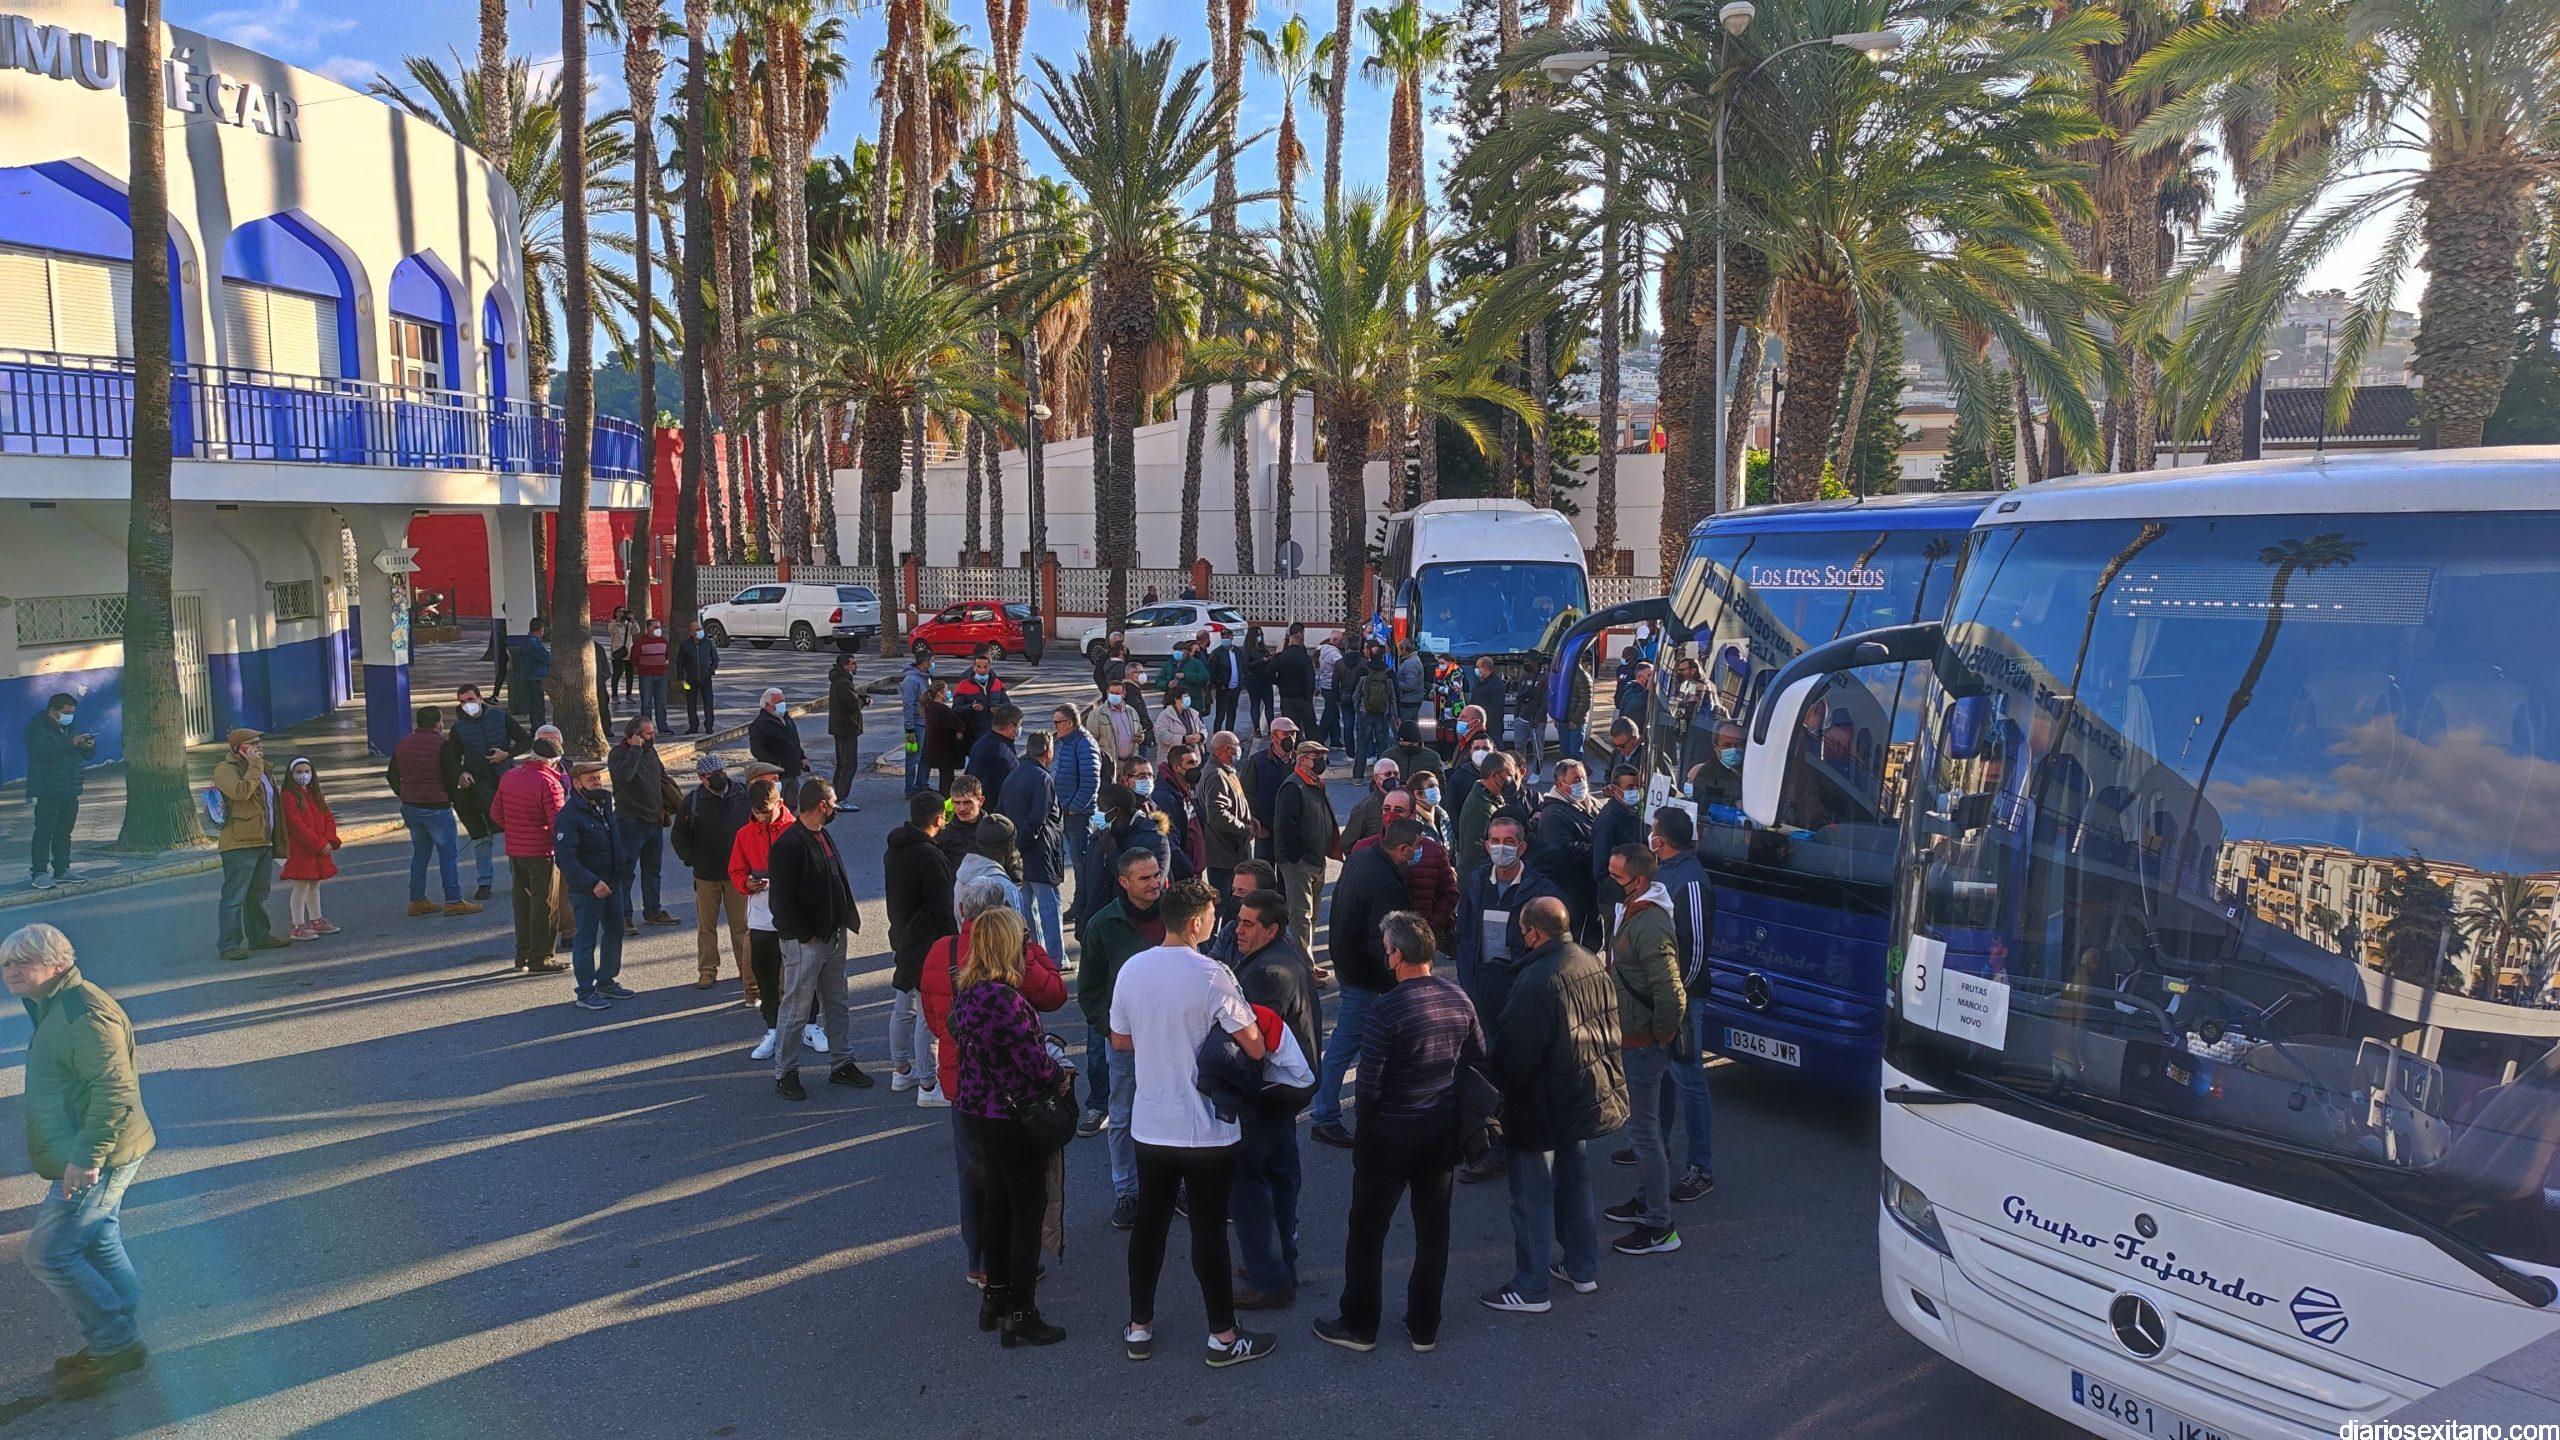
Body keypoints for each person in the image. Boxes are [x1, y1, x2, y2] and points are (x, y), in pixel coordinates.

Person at [1109, 876, 1276, 1367]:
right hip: (1207, 1128)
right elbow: (1254, 1045)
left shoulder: (1133, 970)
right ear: (1199, 922)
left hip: (1151, 1123)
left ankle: (1139, 1327)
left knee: (1149, 1226)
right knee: (1208, 1230)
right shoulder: (1212, 975)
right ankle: (1222, 1336)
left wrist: (1159, 1039)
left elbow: (1120, 1040)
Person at [1316, 911, 1481, 1355]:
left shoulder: (1386, 1008)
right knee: (1433, 1230)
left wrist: (1365, 1131)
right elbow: (1476, 1058)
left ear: (1396, 955)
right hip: (1440, 1131)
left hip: (1390, 1135)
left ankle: (1359, 1325)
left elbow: (1368, 1086)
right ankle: (1424, 1326)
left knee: (1367, 1231)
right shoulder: (1458, 997)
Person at [6, 923, 155, 1399]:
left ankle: (116, 1342)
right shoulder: (53, 1004)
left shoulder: (83, 1014)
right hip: (100, 1149)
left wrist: (87, 1158)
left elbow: (115, 1091)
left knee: (48, 1254)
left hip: (97, 1155)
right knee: (99, 1240)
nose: (10, 972)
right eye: (5, 963)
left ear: (58, 964)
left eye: (22, 962)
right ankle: (119, 1334)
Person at [1479, 895, 1627, 1314]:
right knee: (1575, 1185)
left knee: (1532, 1198)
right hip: (1581, 1094)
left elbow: (1513, 1055)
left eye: (1522, 929)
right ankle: (1582, 1268)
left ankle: (1531, 1288)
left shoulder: (1536, 981)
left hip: (1540, 1104)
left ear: (1534, 932)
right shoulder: (1589, 960)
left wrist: (1490, 1094)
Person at [943, 905, 1073, 1347]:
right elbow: (1032, 1065)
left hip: (976, 1111)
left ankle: (994, 1299)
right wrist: (1060, 1074)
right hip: (1011, 1118)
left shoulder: (968, 990)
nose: (1027, 945)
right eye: (1023, 938)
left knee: (997, 1207)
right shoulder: (1005, 999)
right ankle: (1022, 1312)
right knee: (1026, 1214)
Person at [1452, 814, 1563, 1183]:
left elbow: (1553, 949)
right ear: (1486, 845)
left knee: (1518, 1072)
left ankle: (1517, 1146)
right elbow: (1465, 936)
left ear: (1523, 847)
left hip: (1520, 995)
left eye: (1509, 841)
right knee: (1484, 1071)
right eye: (1495, 840)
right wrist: (1467, 983)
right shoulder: (1475, 882)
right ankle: (1490, 1145)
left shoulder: (1541, 891)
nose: (1501, 847)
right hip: (1481, 992)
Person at [1616, 805, 1718, 1202]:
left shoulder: (1690, 881)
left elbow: (1695, 951)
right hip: (1663, 998)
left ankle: (1700, 1168)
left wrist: (1676, 1001)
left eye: (1652, 831)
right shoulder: (1666, 871)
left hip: (1682, 1000)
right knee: (1663, 1076)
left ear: (1659, 840)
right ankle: (1655, 1144)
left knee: (1690, 1081)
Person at [1225, 889, 1319, 1308]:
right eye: (1239, 920)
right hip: (1287, 1089)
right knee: (1279, 1172)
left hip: (1271, 1092)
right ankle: (1280, 1264)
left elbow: (1253, 1045)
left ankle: (1267, 1278)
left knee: (1246, 1178)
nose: (1238, 930)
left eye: (1248, 924)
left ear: (1272, 929)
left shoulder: (1268, 973)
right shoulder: (1280, 955)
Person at [1310, 817, 1426, 1152]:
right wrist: (1396, 983)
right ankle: (1324, 1116)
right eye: (1417, 847)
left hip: (1349, 963)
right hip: (1365, 975)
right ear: (1403, 849)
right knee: (1346, 1044)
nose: (1419, 852)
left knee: (1362, 1044)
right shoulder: (1386, 884)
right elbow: (1386, 942)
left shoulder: (1363, 856)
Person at [1602, 842, 1688, 1256]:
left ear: (1637, 881)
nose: (1609, 882)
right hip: (1635, 1040)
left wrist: (1660, 1035)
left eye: (1615, 876)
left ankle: (1660, 1226)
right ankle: (1645, 1201)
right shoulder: (1634, 911)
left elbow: (1671, 991)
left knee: (1644, 1134)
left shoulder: (1650, 923)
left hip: (1644, 1045)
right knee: (1643, 1131)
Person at [767, 778, 872, 1098]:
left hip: (833, 935)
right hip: (807, 943)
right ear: (822, 806)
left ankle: (842, 1063)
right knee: (797, 1008)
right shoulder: (789, 845)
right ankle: (785, 1072)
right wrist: (806, 935)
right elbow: (781, 902)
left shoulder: (821, 834)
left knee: (837, 1002)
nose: (836, 809)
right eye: (834, 803)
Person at [1080, 846, 1167, 1220]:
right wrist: (1111, 1031)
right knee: (1123, 1117)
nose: (1155, 883)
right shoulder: (1103, 924)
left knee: (1172, 1112)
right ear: (1124, 882)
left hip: (1173, 1038)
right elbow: (1089, 990)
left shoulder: (1175, 914)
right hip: (1126, 1043)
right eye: (1144, 878)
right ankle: (1128, 1192)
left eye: (1157, 874)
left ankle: (1171, 1186)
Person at [886, 790, 960, 1103]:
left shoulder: (894, 848)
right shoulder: (931, 856)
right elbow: (944, 908)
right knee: (927, 1016)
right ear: (938, 820)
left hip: (901, 936)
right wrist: (953, 944)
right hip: (927, 943)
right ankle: (929, 1085)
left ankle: (901, 1070)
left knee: (903, 1006)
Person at [729, 776, 807, 1058]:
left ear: (780, 803)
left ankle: (809, 1025)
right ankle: (773, 1028)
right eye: (757, 813)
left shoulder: (797, 830)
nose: (761, 818)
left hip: (795, 913)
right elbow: (736, 870)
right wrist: (746, 883)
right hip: (761, 915)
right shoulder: (745, 834)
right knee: (765, 974)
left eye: (766, 812)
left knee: (801, 974)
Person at [552, 758, 633, 1011]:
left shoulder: (604, 804)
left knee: (615, 931)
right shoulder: (569, 816)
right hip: (588, 889)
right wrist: (592, 882)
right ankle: (585, 992)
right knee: (585, 939)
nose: (597, 783)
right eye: (591, 780)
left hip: (612, 882)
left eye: (598, 778)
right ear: (577, 784)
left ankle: (606, 980)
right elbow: (565, 858)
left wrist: (622, 866)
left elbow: (614, 839)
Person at [672, 754, 753, 995]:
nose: (719, 777)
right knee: (706, 927)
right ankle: (707, 970)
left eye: (721, 772)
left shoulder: (742, 795)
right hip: (706, 875)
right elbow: (679, 836)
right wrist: (692, 860)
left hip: (737, 874)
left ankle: (746, 969)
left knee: (741, 926)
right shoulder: (693, 802)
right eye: (712, 775)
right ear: (702, 779)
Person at [488, 738, 570, 974]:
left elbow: (496, 813)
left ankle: (522, 954)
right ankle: (541, 957)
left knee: (522, 904)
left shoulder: (510, 776)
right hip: (542, 852)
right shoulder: (550, 783)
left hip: (516, 851)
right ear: (552, 762)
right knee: (545, 906)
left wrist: (516, 831)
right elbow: (558, 824)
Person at [387, 707, 476, 920]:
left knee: (420, 853)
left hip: (411, 806)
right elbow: (451, 775)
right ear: (438, 724)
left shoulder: (403, 744)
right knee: (448, 854)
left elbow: (391, 775)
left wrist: (403, 793)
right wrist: (451, 798)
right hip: (436, 806)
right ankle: (453, 900)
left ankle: (417, 900)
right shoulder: (442, 744)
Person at [448, 682, 529, 901]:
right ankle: (484, 882)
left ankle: (520, 881)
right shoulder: (458, 728)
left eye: (470, 699)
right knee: (482, 837)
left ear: (480, 698)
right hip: (478, 787)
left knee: (514, 834)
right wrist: (461, 773)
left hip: (506, 783)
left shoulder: (500, 718)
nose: (467, 704)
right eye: (462, 701)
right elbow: (453, 757)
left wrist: (507, 754)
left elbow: (525, 740)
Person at [608, 716, 684, 933]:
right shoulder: (618, 754)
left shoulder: (651, 752)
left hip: (654, 820)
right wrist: (635, 750)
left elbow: (661, 776)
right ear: (634, 736)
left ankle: (653, 911)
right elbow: (624, 777)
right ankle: (624, 916)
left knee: (653, 869)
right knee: (626, 872)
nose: (654, 736)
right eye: (649, 733)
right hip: (630, 822)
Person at [1001, 730, 1067, 967]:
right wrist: (1027, 842)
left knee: (1026, 909)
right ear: (1048, 752)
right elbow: (1039, 818)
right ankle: (1056, 959)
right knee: (1050, 907)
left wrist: (1016, 847)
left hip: (1018, 853)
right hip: (1040, 852)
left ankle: (1036, 956)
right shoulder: (1042, 778)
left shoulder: (1013, 776)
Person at [23, 692, 94, 890]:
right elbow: (42, 752)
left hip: (70, 789)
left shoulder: (72, 728)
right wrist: (71, 743)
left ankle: (62, 869)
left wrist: (88, 746)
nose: (69, 716)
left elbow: (86, 755)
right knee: (44, 832)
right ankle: (39, 872)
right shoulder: (37, 727)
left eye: (72, 713)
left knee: (64, 832)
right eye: (66, 712)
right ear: (53, 711)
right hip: (48, 789)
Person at [1270, 737, 1337, 947]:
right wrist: (1297, 859)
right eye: (1317, 757)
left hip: (1316, 859)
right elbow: (1286, 827)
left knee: (1312, 915)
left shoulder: (1315, 783)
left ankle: (1307, 957)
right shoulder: (1293, 786)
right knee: (1301, 918)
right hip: (1300, 864)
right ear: (1304, 760)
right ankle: (1302, 962)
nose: (1321, 761)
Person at [1529, 760, 1603, 942]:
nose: (1582, 783)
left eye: (1584, 778)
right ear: (1560, 784)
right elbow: (1564, 851)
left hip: (1590, 888)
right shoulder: (1553, 815)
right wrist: (1600, 850)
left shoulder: (1591, 803)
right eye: (1576, 779)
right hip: (1572, 892)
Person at [276, 757, 342, 940]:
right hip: (302, 850)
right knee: (301, 886)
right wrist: (319, 844)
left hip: (318, 848)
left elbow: (328, 817)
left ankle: (316, 920)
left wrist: (328, 840)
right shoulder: (288, 797)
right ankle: (298, 925)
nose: (303, 775)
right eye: (299, 772)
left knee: (315, 884)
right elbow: (296, 826)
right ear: (291, 774)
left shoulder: (314, 794)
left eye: (307, 771)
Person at [1053, 705, 1104, 902]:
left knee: (1081, 861)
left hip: (1079, 814)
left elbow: (1091, 782)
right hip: (1066, 811)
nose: (1055, 726)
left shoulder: (1085, 744)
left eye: (1058, 722)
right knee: (1077, 860)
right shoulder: (1066, 742)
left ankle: (1083, 901)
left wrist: (1074, 808)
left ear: (1069, 723)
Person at [1589, 763, 1650, 923]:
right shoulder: (1608, 820)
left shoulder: (1633, 811)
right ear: (1615, 790)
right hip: (1617, 900)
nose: (1635, 791)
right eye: (1629, 787)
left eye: (1637, 786)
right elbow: (1601, 870)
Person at [1200, 731, 1254, 899]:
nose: (1239, 750)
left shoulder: (1226, 770)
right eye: (1237, 746)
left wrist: (1250, 819)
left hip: (1231, 852)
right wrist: (1245, 828)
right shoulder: (1216, 775)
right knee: (1226, 902)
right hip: (1225, 856)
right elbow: (1217, 815)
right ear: (1227, 749)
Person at [1241, 719, 1299, 863]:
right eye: (1286, 734)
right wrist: (1256, 823)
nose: (1291, 738)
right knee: (1264, 872)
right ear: (1274, 737)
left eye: (1293, 734)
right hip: (1266, 832)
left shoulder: (1299, 761)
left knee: (1288, 873)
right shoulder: (1257, 761)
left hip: (1292, 833)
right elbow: (1245, 795)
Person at [1455, 749, 1516, 873]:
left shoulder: (1491, 797)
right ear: (1494, 775)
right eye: (1509, 775)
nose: (1511, 781)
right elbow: (1474, 857)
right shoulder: (1480, 809)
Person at [826, 651, 868, 809]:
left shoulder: (841, 680)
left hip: (841, 728)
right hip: (846, 728)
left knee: (842, 764)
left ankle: (835, 796)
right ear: (845, 666)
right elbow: (852, 703)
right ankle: (841, 798)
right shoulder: (843, 682)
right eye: (853, 664)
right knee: (849, 764)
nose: (856, 666)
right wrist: (863, 702)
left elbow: (852, 697)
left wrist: (861, 698)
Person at [748, 688, 810, 787]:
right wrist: (775, 765)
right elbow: (757, 750)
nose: (782, 705)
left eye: (783, 701)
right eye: (778, 702)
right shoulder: (760, 725)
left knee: (794, 795)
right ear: (767, 705)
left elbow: (794, 740)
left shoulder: (786, 718)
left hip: (793, 771)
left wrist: (802, 757)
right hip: (777, 775)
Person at [1340, 757, 1402, 853]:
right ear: (1376, 779)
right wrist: (1363, 860)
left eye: (1396, 773)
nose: (1393, 777)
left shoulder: (1406, 801)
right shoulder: (1365, 808)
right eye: (1388, 774)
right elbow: (1346, 843)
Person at [952, 649, 1010, 751]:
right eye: (978, 667)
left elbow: (1007, 704)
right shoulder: (963, 685)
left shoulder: (997, 683)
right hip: (973, 734)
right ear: (973, 667)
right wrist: (971, 708)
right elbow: (956, 708)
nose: (982, 670)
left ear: (989, 667)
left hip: (995, 732)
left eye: (985, 667)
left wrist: (999, 708)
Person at [1352, 643, 1396, 776]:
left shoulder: (1363, 671)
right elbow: (1393, 696)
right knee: (1382, 746)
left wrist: (1358, 709)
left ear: (1369, 655)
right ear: (1383, 656)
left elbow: (1356, 693)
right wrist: (1395, 714)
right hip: (1383, 713)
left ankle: (1358, 776)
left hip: (1364, 712)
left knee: (1362, 745)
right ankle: (1382, 776)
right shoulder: (1389, 672)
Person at [675, 614, 722, 735]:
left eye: (700, 629)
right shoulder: (685, 645)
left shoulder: (708, 643)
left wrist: (711, 670)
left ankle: (709, 725)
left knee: (708, 702)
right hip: (690, 679)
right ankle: (693, 725)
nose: (699, 631)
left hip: (706, 678)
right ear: (691, 632)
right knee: (691, 703)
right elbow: (680, 662)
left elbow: (715, 658)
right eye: (696, 630)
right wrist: (681, 677)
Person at [921, 679, 968, 794]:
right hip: (945, 750)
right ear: (940, 693)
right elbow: (958, 725)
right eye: (947, 690)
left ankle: (944, 799)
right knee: (947, 780)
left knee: (945, 778)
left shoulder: (930, 707)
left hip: (935, 749)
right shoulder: (942, 709)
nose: (949, 692)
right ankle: (946, 802)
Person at [968, 703, 1023, 799]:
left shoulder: (981, 741)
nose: (1020, 728)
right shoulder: (1003, 754)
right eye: (1020, 725)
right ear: (1010, 727)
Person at [899, 648, 936, 793]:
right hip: (914, 726)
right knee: (912, 757)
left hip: (926, 723)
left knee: (926, 756)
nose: (933, 664)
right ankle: (910, 788)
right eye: (932, 661)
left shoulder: (926, 677)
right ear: (925, 662)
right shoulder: (911, 680)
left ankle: (922, 784)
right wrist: (910, 728)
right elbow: (908, 705)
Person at [1272, 625, 1318, 737]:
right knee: (1309, 724)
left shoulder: (1280, 656)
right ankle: (1312, 744)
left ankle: (1292, 744)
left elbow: (1268, 673)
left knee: (1289, 725)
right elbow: (1310, 678)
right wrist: (1309, 695)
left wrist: (1279, 682)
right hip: (1303, 696)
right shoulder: (1305, 658)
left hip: (1287, 695)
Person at [507, 619, 552, 728]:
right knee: (537, 705)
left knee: (537, 705)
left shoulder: (529, 641)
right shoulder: (532, 643)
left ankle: (538, 725)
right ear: (540, 630)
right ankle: (538, 726)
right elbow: (546, 658)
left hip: (533, 676)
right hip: (534, 677)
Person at [938, 775, 989, 871]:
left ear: (980, 801)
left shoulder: (996, 830)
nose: (961, 808)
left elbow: (1013, 866)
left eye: (967, 802)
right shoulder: (944, 833)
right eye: (957, 803)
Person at [632, 619, 673, 732]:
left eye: (659, 627)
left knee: (661, 703)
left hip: (661, 675)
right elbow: (634, 658)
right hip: (646, 676)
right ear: (648, 628)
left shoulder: (663, 641)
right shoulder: (641, 642)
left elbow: (666, 656)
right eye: (655, 627)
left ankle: (663, 726)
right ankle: (647, 728)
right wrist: (643, 667)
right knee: (646, 703)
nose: (658, 629)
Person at [1208, 626, 1246, 734]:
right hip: (1223, 689)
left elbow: (1243, 667)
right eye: (1223, 637)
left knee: (1232, 713)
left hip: (1235, 688)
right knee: (1220, 714)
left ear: (1232, 637)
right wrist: (1219, 684)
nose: (1225, 639)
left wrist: (1242, 683)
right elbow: (1212, 671)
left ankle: (1229, 735)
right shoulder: (1216, 653)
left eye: (1227, 637)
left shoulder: (1238, 651)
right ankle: (1217, 735)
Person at [1153, 681, 1207, 757]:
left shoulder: (1193, 713)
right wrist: (1183, 739)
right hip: (1172, 757)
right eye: (1185, 697)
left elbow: (1203, 727)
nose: (1188, 699)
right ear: (1176, 699)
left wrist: (1200, 736)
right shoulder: (1165, 715)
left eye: (1188, 696)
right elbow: (1161, 735)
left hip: (1193, 755)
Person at [1242, 629, 1276, 737]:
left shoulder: (1263, 648)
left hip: (1265, 679)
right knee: (1255, 704)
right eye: (1257, 635)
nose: (1259, 637)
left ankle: (1271, 727)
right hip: (1254, 680)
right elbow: (1247, 665)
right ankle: (1257, 729)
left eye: (1260, 635)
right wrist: (1262, 660)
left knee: (1269, 705)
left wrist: (1270, 657)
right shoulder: (1247, 650)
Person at [1313, 631, 1344, 748]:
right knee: (1329, 713)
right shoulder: (1333, 654)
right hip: (1332, 686)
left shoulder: (1324, 650)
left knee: (1334, 713)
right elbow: (1341, 667)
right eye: (1341, 640)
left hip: (1326, 685)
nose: (1343, 642)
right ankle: (1320, 737)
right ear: (1335, 640)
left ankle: (1335, 738)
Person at [1468, 657, 1509, 744]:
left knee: (1495, 748)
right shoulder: (1480, 682)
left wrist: (1485, 723)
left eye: (1478, 667)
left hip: (1492, 729)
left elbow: (1497, 708)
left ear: (1485, 668)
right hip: (1478, 727)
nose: (1476, 670)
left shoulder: (1496, 684)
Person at [607, 606, 638, 701]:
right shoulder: (613, 624)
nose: (622, 614)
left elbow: (636, 631)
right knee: (617, 674)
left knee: (629, 674)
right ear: (615, 613)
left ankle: (629, 694)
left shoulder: (629, 624)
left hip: (628, 652)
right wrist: (616, 620)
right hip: (618, 652)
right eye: (620, 612)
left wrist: (633, 621)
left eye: (624, 612)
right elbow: (610, 630)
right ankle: (614, 695)